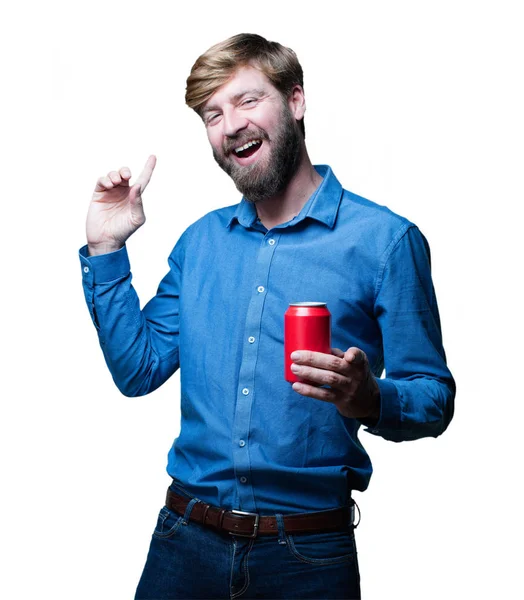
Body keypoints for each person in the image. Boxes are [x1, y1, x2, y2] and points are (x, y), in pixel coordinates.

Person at [79, 33, 455, 600]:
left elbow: (433, 396)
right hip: (184, 543)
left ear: (296, 101)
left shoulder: (384, 242)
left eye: (247, 101)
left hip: (307, 557)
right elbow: (139, 370)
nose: (230, 124)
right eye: (213, 113)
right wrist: (106, 252)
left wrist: (371, 399)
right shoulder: (200, 243)